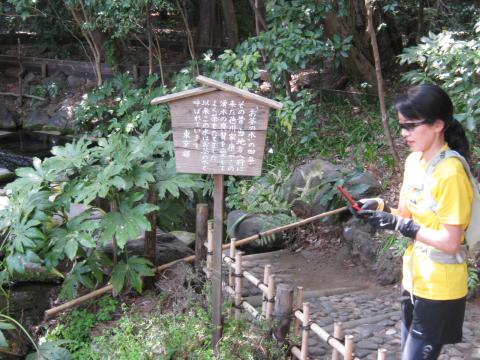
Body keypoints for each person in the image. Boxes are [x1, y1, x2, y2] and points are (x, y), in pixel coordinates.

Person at [352, 84, 473, 359]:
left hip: (441, 289)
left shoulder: (451, 173)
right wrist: (380, 208)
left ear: (438, 124)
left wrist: (399, 226)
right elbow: (405, 216)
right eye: (401, 126)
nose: (404, 134)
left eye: (411, 126)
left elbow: (450, 242)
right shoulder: (413, 162)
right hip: (414, 281)